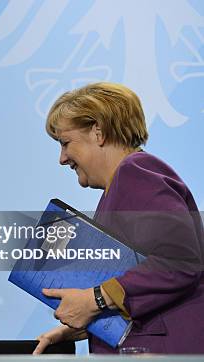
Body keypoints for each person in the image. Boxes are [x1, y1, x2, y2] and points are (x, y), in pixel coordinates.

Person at [33, 82, 204, 354]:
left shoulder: (136, 173)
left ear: (98, 132)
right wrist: (83, 323)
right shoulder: (118, 187)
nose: (62, 159)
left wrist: (94, 299)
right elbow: (139, 283)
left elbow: (179, 261)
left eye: (65, 143)